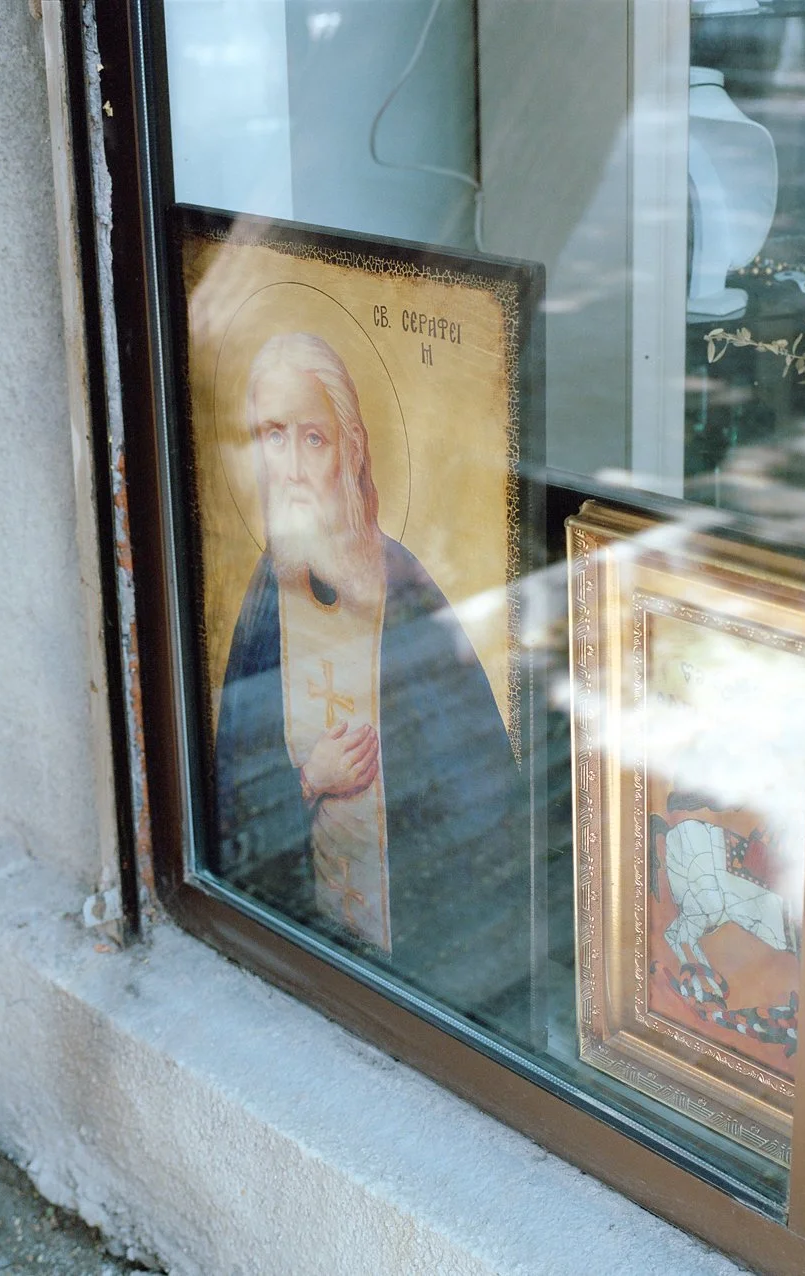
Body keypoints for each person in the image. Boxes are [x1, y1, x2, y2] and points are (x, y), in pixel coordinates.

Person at [211, 332, 529, 1020]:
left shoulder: (404, 593)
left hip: (415, 969)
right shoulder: (269, 593)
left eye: (313, 440)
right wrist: (309, 781)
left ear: (350, 451)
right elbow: (232, 794)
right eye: (272, 437)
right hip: (307, 957)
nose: (291, 468)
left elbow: (480, 809)